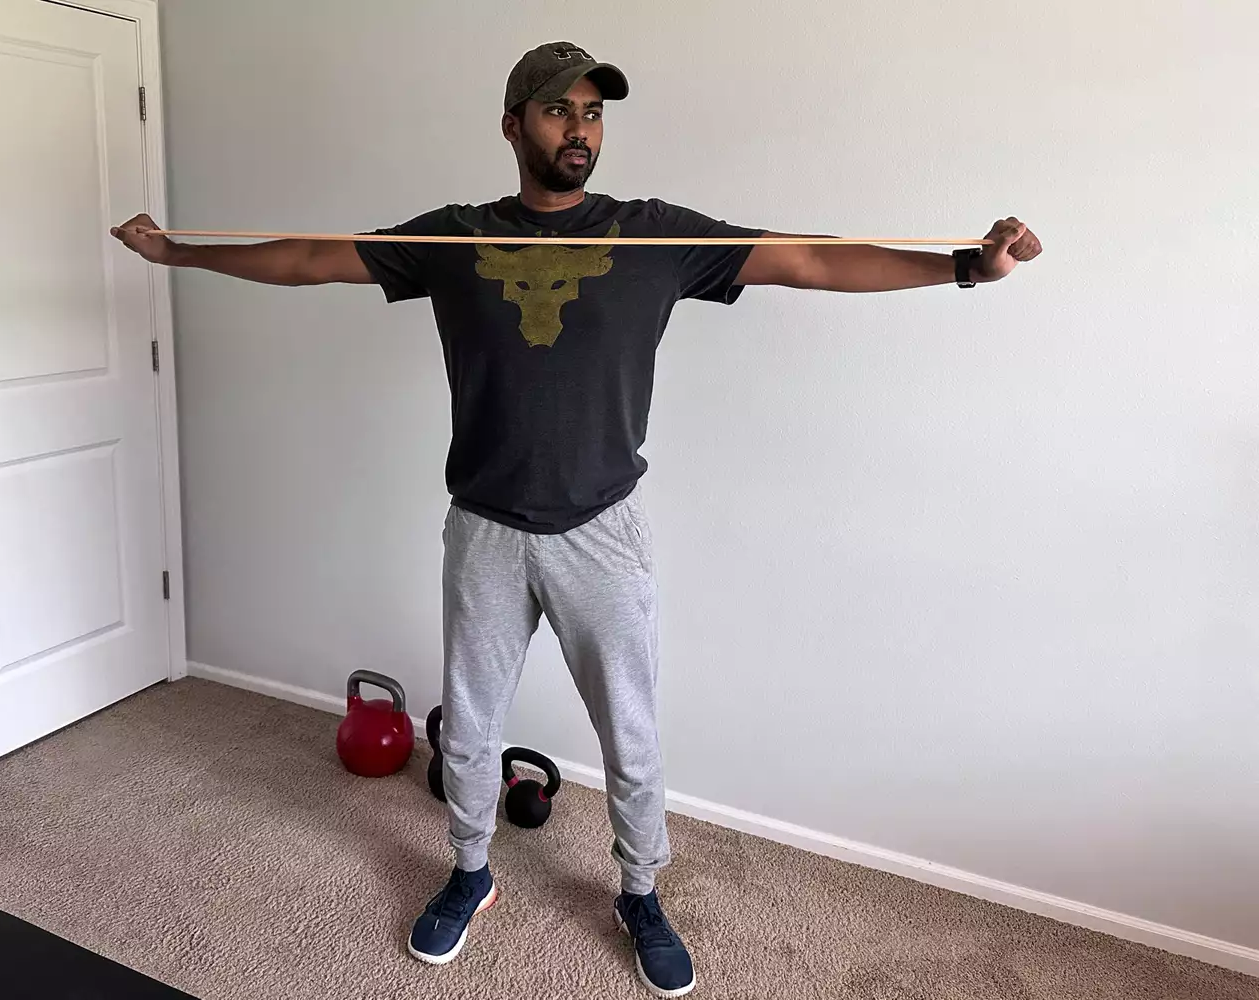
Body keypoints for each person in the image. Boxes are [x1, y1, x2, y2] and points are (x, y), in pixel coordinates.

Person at [113, 40, 1042, 998]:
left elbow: (807, 259)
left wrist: (969, 265)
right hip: (484, 526)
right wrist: (177, 251)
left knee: (629, 735)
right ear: (514, 126)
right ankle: (471, 875)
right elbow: (310, 256)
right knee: (468, 733)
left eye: (594, 113)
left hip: (604, 527)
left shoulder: (654, 235)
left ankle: (641, 891)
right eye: (559, 112)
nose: (580, 130)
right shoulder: (456, 236)